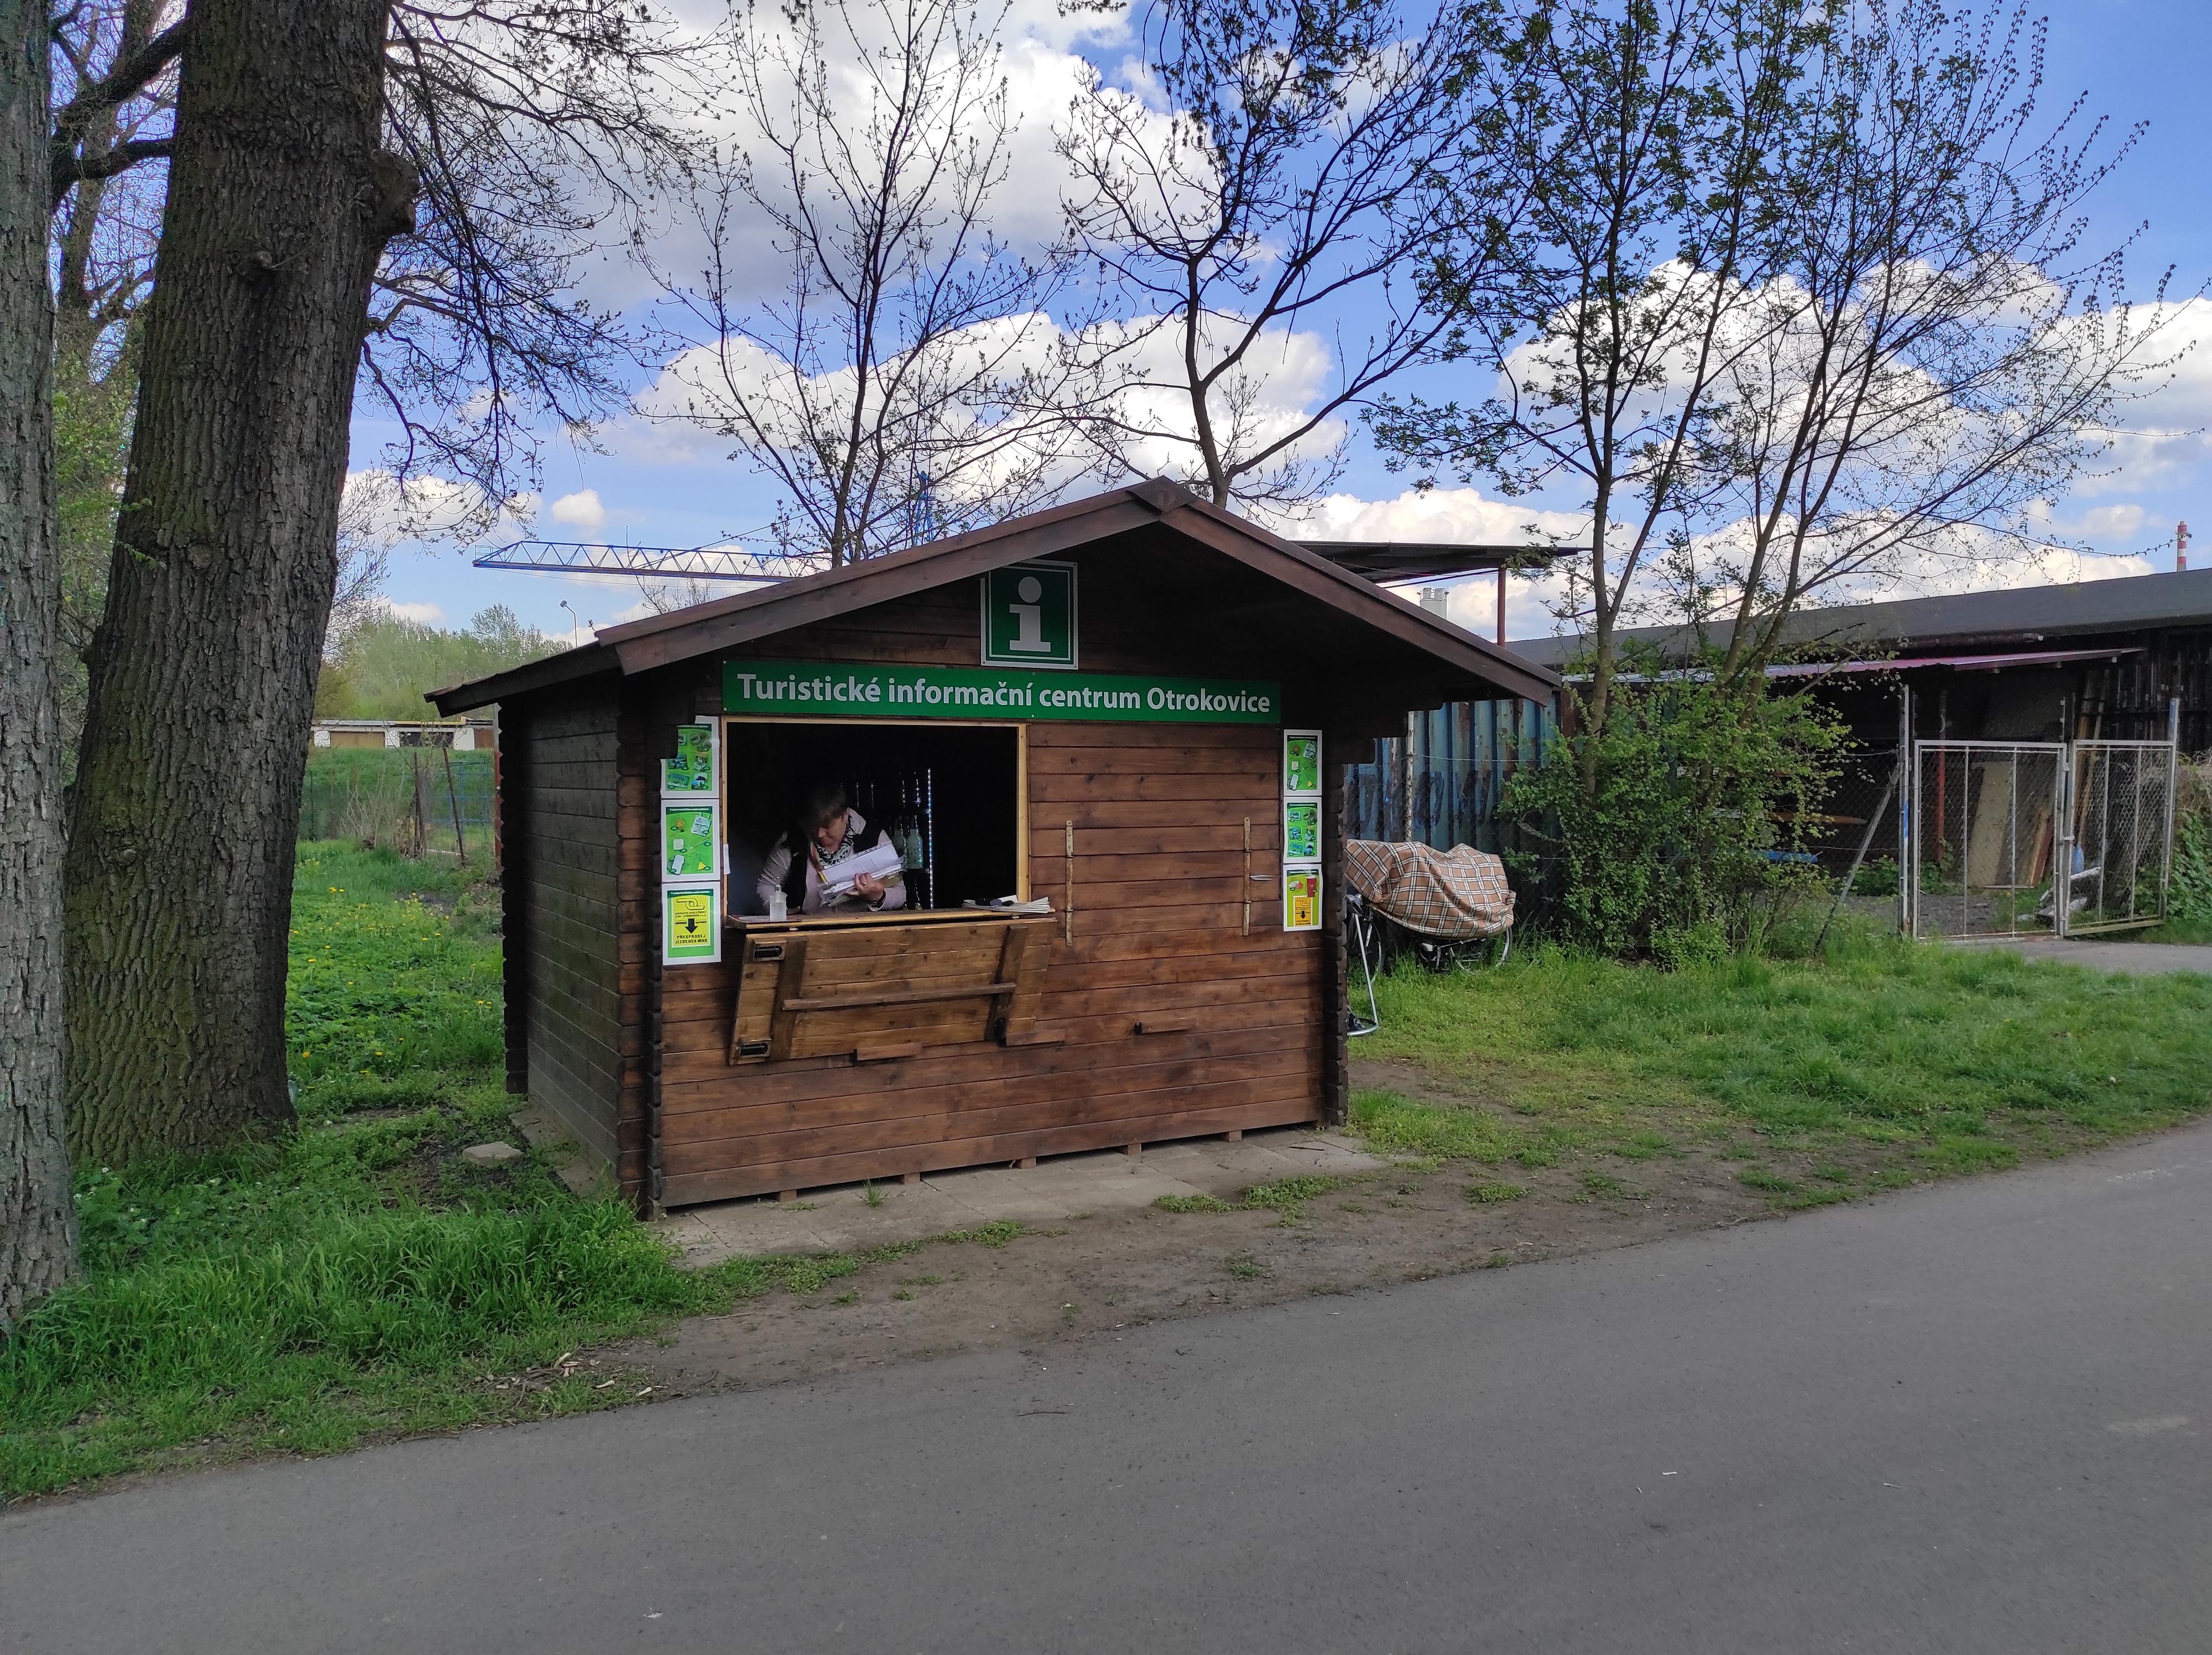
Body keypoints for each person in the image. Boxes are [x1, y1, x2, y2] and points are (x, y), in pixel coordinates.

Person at [757, 782, 907, 915]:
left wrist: (878, 896)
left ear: (845, 816)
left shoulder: (873, 837)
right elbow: (766, 885)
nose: (820, 834)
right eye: (814, 826)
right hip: (809, 930)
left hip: (862, 930)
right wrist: (778, 910)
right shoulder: (794, 841)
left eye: (827, 826)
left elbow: (900, 893)